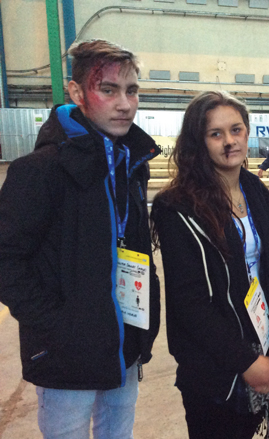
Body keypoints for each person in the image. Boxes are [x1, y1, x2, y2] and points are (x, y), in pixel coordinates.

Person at [0, 39, 160, 439]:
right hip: (65, 357)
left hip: (124, 344)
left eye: (132, 90)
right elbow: (6, 260)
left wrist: (143, 323)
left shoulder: (131, 164)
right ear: (76, 92)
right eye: (108, 90)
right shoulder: (39, 171)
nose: (125, 104)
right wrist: (58, 326)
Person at [151, 91, 269, 439]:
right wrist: (244, 362)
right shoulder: (177, 208)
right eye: (215, 134)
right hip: (215, 365)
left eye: (236, 130)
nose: (229, 142)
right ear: (198, 142)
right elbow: (188, 304)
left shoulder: (254, 190)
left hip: (262, 342)